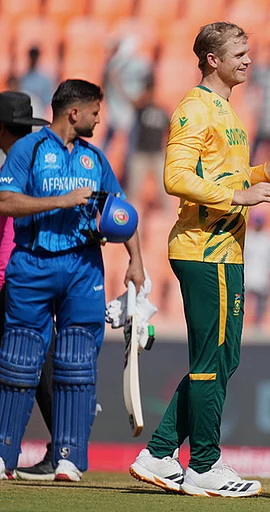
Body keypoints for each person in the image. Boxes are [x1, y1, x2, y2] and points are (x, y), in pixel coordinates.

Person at [128, 21, 270, 498]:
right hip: (202, 249)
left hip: (225, 251)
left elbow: (232, 179)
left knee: (223, 358)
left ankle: (159, 452)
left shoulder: (227, 110)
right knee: (212, 359)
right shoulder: (195, 106)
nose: (248, 60)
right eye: (239, 53)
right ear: (213, 59)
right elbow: (175, 176)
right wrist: (239, 195)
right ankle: (204, 465)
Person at [0, 79, 145, 482]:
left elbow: (121, 211)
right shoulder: (27, 151)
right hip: (33, 263)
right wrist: (62, 201)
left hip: (84, 267)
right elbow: (4, 200)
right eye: (96, 113)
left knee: (77, 363)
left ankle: (68, 458)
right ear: (74, 113)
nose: (101, 119)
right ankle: (2, 456)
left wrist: (136, 261)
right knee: (19, 360)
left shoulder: (94, 158)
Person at [0, 92, 54, 481]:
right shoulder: (34, 161)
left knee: (32, 365)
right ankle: (64, 447)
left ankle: (61, 448)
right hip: (29, 272)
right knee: (36, 364)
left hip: (17, 274)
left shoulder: (18, 163)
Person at [125, 76, 171, 213]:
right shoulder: (141, 109)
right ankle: (131, 214)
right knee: (134, 189)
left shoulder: (162, 110)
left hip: (157, 154)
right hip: (141, 154)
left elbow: (170, 131)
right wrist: (116, 83)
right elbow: (129, 100)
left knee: (165, 188)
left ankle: (168, 215)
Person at [243, 214, 270, 326]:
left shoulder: (269, 238)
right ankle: (241, 323)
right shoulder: (247, 237)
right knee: (241, 301)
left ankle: (257, 324)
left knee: (261, 302)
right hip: (247, 274)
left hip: (262, 275)